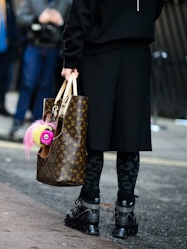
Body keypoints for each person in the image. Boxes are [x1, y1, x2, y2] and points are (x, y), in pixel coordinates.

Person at [60, 0, 164, 238]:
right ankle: (125, 215)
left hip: (99, 54)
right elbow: (155, 8)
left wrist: (70, 57)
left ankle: (88, 209)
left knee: (95, 131)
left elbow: (82, 11)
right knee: (130, 134)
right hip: (137, 56)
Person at [9, 0, 72, 136]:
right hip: (34, 46)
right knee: (27, 84)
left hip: (53, 49)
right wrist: (38, 19)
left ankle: (38, 125)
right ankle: (17, 121)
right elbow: (20, 18)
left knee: (45, 87)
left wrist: (61, 23)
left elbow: (75, 25)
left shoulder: (67, 3)